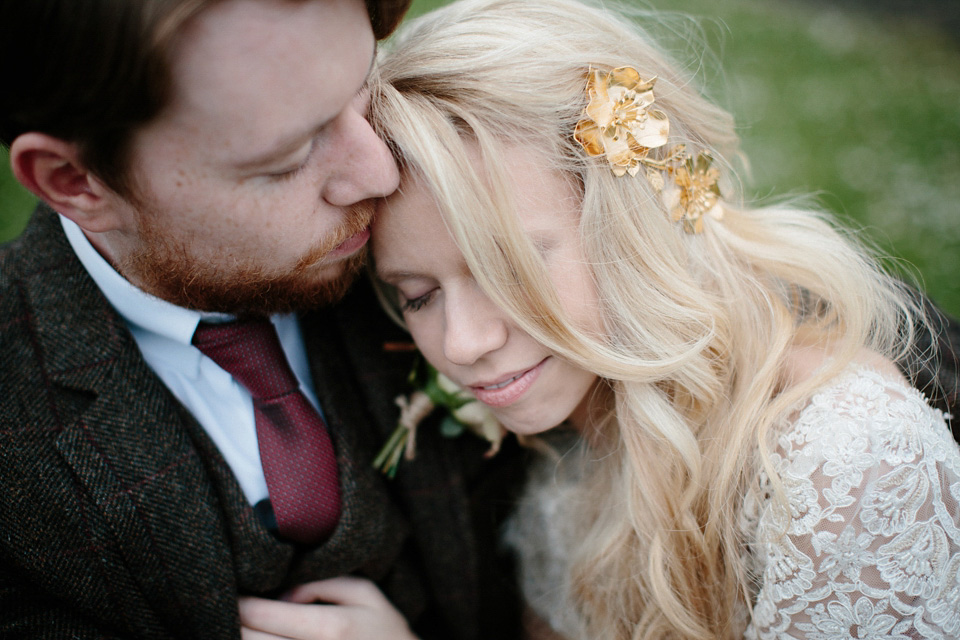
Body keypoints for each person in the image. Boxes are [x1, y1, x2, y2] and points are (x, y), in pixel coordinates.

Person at [369, 0, 960, 637]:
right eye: (418, 296)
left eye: (509, 269)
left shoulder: (839, 461)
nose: (462, 343)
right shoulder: (566, 433)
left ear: (631, 222)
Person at [0, 1, 521, 638]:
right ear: (74, 182)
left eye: (366, 92)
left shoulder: (451, 243)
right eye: (287, 159)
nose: (377, 173)